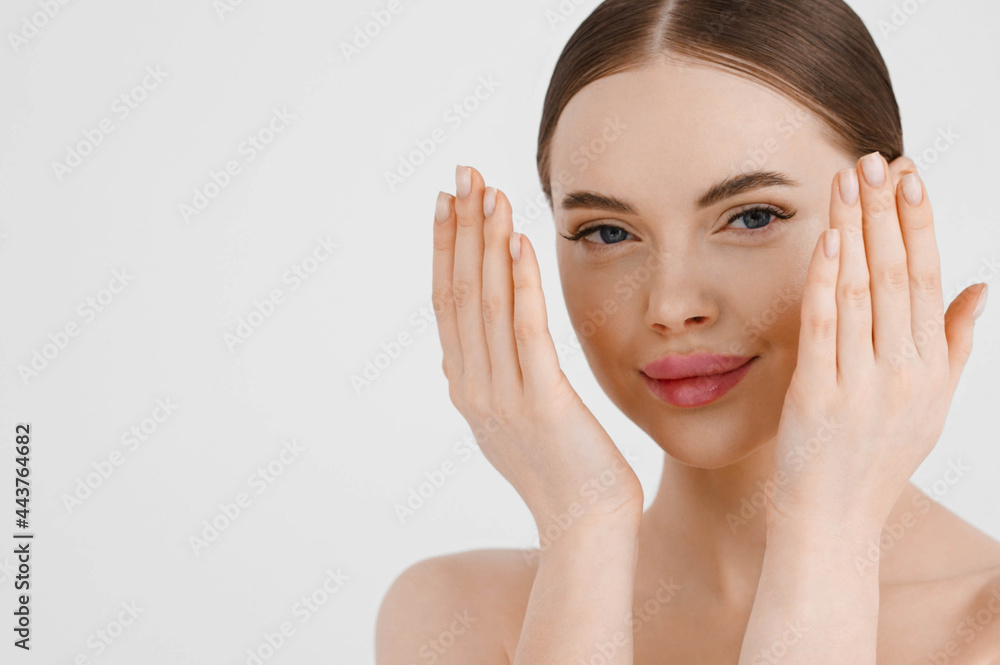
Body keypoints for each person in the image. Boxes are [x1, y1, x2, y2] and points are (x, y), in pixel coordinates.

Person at [377, 1, 999, 663]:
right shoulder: (461, 615)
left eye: (753, 216)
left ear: (890, 216)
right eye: (607, 232)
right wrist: (584, 523)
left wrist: (830, 529)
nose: (672, 306)